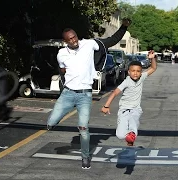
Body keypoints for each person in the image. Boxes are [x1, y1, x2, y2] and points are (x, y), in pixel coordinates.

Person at [46, 19, 131, 170]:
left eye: (75, 37)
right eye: (70, 39)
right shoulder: (61, 54)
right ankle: (52, 123)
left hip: (85, 95)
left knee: (83, 128)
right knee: (51, 122)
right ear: (66, 42)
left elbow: (111, 41)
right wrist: (64, 88)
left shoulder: (89, 44)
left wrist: (123, 27)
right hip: (68, 93)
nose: (74, 40)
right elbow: (62, 70)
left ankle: (85, 158)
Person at [101, 50, 157, 146]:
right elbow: (114, 93)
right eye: (133, 71)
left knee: (133, 122)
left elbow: (153, 68)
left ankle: (132, 134)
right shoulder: (126, 82)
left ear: (141, 72)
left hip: (135, 109)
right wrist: (106, 106)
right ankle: (129, 137)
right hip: (123, 110)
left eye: (138, 71)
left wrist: (152, 59)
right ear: (129, 72)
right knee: (120, 135)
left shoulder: (142, 77)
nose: (135, 73)